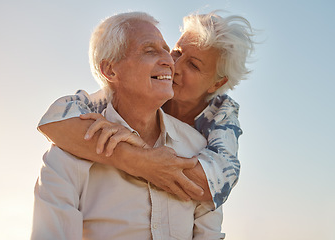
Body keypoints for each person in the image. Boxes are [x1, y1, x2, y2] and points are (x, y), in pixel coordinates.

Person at [31, 12, 225, 239]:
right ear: (110, 70)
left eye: (167, 50)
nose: (169, 61)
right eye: (150, 51)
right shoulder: (67, 155)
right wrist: (138, 160)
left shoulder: (198, 149)